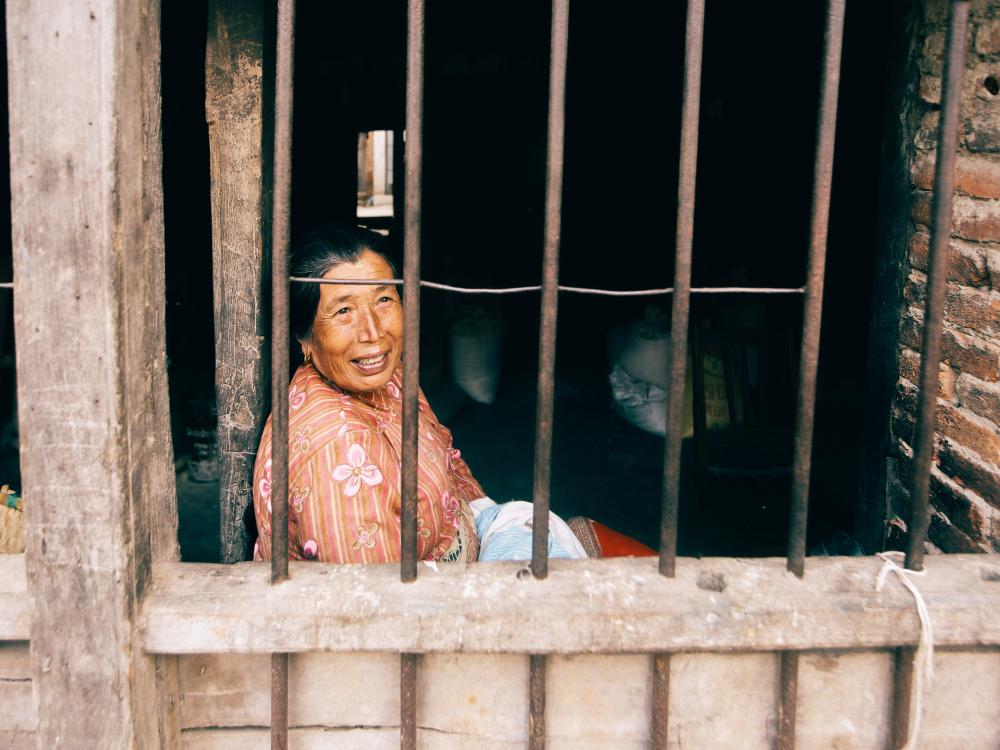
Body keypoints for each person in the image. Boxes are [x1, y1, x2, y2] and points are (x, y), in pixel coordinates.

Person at [253, 226, 483, 563]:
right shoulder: (341, 458)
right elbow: (378, 604)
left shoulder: (391, 376)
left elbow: (449, 461)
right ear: (304, 337)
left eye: (384, 299)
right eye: (344, 311)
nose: (374, 332)